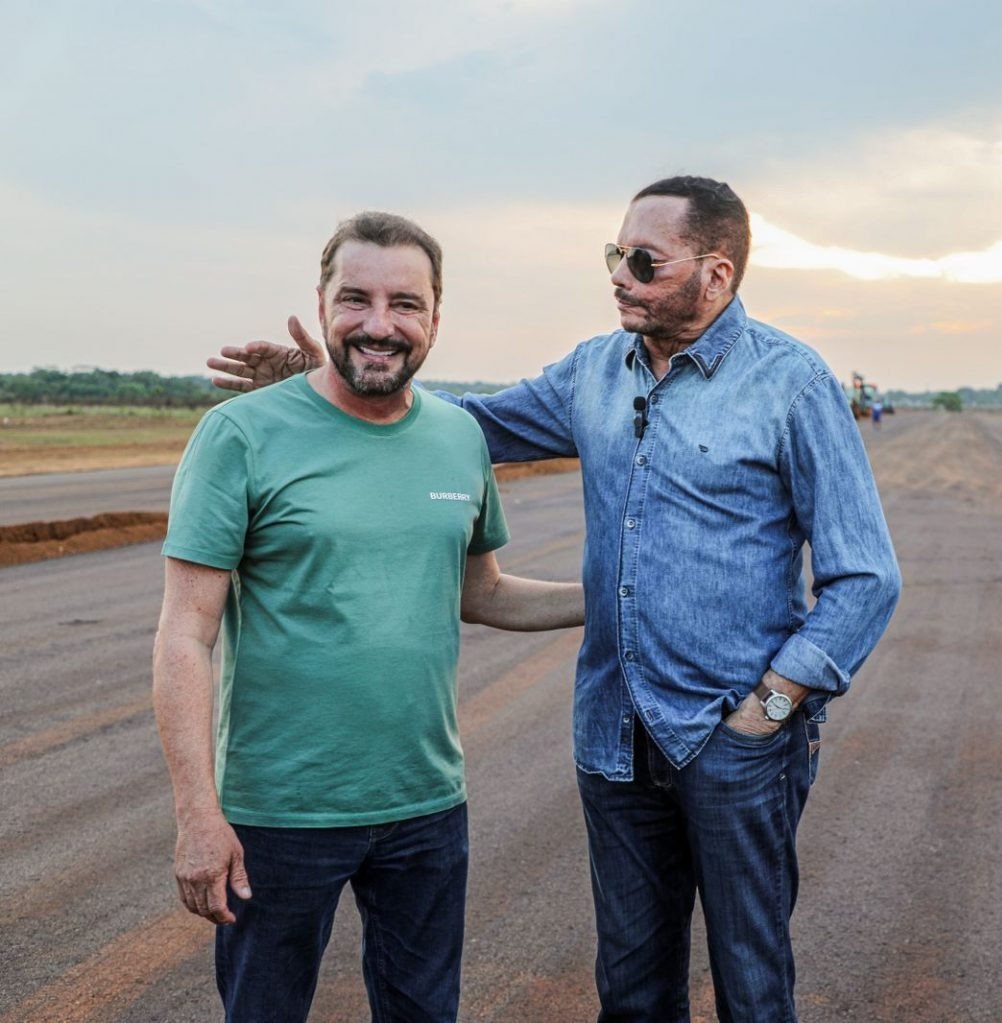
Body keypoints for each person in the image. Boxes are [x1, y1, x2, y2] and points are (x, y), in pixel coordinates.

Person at [206, 176, 902, 1021]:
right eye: (615, 254)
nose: (619, 276)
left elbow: (866, 575)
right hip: (615, 737)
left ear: (717, 276)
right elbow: (460, 428)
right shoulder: (592, 373)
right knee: (633, 988)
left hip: (735, 742)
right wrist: (334, 379)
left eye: (644, 262)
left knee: (752, 983)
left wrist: (771, 707)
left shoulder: (791, 384)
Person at [155, 211, 585, 1023]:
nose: (379, 324)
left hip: (425, 804)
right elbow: (186, 631)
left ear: (435, 316)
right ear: (321, 304)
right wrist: (197, 815)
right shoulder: (239, 435)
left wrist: (615, 597)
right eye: (356, 298)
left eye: (405, 304)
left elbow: (480, 590)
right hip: (278, 815)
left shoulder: (460, 437)